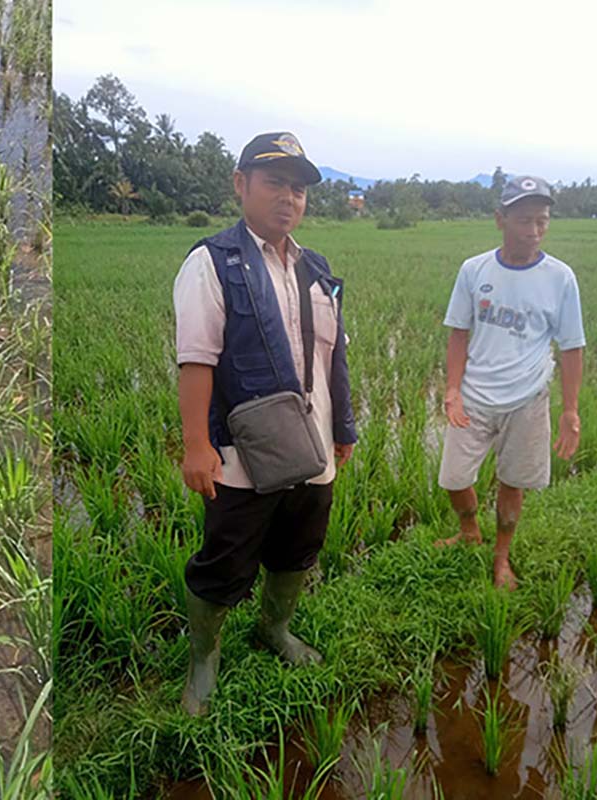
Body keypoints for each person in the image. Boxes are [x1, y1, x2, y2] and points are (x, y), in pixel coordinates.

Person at [171, 131, 357, 716]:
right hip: (240, 458)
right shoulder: (214, 262)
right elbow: (197, 359)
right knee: (224, 563)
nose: (288, 197)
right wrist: (197, 445)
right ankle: (204, 659)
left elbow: (335, 359)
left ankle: (274, 629)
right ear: (240, 184)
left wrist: (344, 428)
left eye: (298, 188)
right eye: (275, 181)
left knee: (297, 552)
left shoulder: (317, 269)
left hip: (313, 449)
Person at [434, 175, 585, 589]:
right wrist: (452, 390)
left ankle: (501, 558)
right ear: (500, 219)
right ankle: (469, 532)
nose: (534, 231)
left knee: (513, 481)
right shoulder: (474, 270)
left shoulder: (560, 278)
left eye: (542, 221)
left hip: (528, 398)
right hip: (474, 396)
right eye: (524, 220)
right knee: (454, 478)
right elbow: (458, 333)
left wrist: (570, 409)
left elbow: (572, 347)